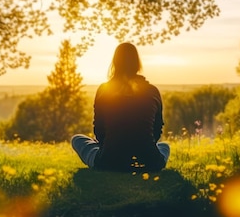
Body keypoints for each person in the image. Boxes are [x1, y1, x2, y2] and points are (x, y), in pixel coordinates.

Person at [71, 42, 170, 172]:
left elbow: (99, 129)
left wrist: (110, 146)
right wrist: (142, 146)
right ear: (137, 64)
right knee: (164, 146)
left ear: (115, 63)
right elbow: (157, 129)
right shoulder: (152, 91)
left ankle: (113, 156)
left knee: (77, 139)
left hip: (110, 161)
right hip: (149, 160)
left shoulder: (105, 89)